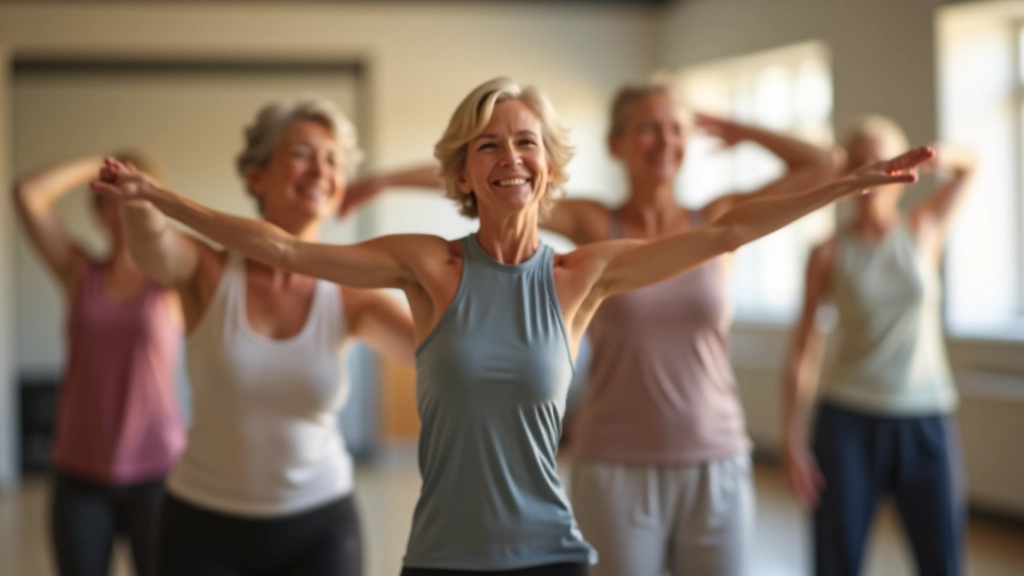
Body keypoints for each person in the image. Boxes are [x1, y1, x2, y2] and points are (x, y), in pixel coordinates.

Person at [93, 78, 932, 576]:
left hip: (550, 555)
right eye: (488, 145)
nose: (511, 158)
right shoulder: (428, 265)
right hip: (440, 558)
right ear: (462, 170)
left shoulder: (584, 274)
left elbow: (726, 233)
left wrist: (847, 185)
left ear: (551, 166)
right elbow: (276, 242)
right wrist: (161, 200)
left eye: (526, 142)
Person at [347, 81, 842, 576]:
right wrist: (385, 181)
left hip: (716, 450)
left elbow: (825, 166)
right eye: (650, 128)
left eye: (676, 130)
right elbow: (503, 178)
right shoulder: (596, 225)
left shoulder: (713, 220)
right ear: (616, 143)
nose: (665, 141)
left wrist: (734, 127)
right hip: (614, 454)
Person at [97, 96, 415, 576]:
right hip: (202, 524)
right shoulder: (207, 270)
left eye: (333, 161)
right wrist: (141, 208)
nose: (321, 170)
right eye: (302, 153)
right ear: (257, 176)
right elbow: (153, 248)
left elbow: (434, 353)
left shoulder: (351, 296)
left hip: (320, 524)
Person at [782, 115, 975, 576]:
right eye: (860, 159)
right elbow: (803, 348)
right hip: (847, 421)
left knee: (942, 560)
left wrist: (935, 157)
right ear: (847, 170)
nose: (873, 168)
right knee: (837, 561)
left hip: (926, 417)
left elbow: (972, 166)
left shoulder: (923, 231)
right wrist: (792, 438)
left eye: (882, 156)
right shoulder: (828, 252)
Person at [13, 152, 185, 576]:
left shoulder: (175, 281)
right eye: (113, 195)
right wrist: (100, 164)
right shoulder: (79, 272)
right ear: (99, 211)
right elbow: (27, 195)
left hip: (158, 469)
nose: (125, 204)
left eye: (135, 193)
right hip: (79, 468)